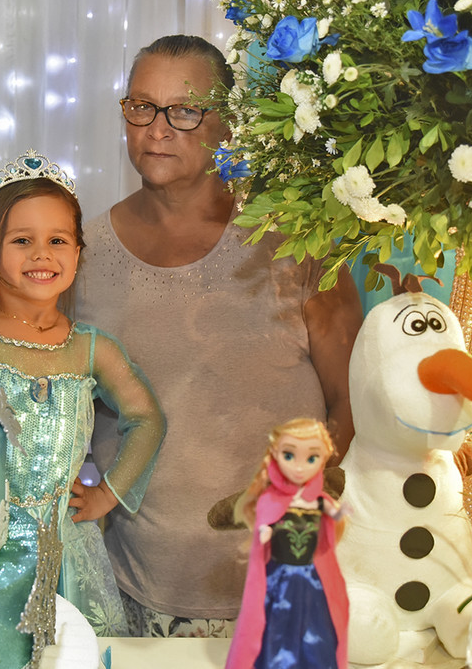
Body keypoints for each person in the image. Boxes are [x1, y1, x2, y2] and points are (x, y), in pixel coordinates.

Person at [73, 34, 363, 636]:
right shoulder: (81, 255)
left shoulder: (295, 240)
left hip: (282, 588)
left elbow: (352, 403)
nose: (158, 129)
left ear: (228, 123)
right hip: (138, 592)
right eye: (141, 107)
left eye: (184, 110)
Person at [0, 150, 165, 640]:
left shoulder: (91, 349)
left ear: (77, 254)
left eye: (57, 240)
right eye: (22, 241)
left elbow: (147, 418)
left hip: (69, 554)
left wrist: (107, 495)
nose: (42, 254)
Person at [225, 418, 347, 669]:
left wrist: (342, 513)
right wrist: (264, 532)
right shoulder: (271, 499)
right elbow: (266, 522)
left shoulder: (319, 501)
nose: (299, 467)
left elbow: (335, 517)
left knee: (313, 626)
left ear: (324, 457)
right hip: (279, 577)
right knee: (277, 625)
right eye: (289, 455)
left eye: (311, 458)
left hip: (310, 579)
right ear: (275, 454)